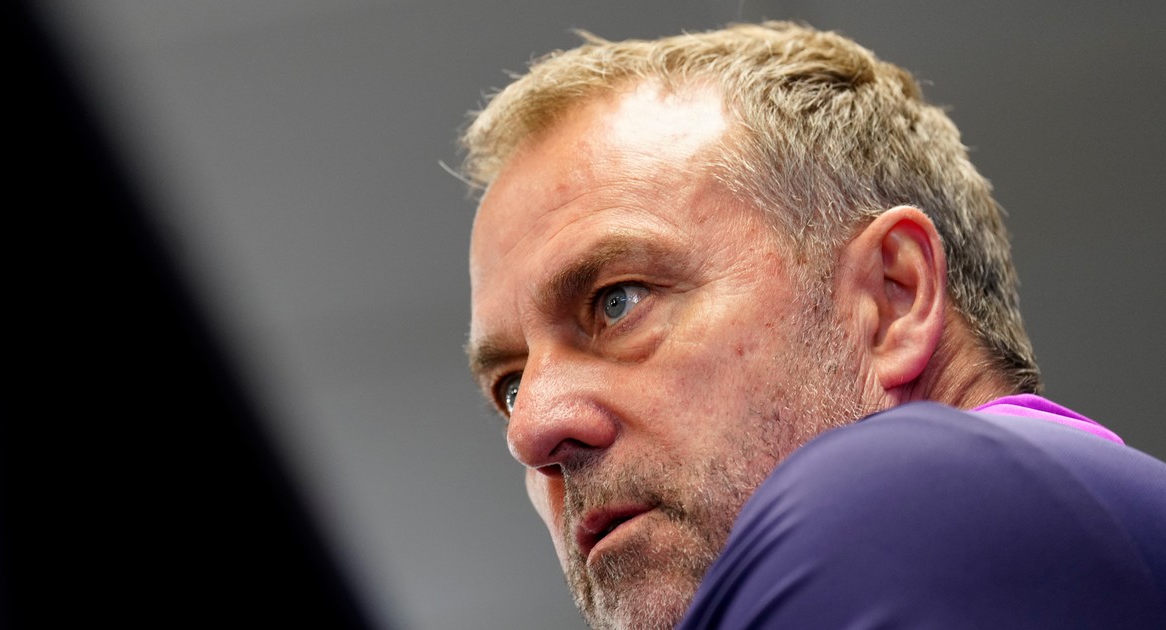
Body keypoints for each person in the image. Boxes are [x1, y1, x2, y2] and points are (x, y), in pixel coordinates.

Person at [462, 22, 1166, 629]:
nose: (532, 432)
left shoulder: (899, 501)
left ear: (891, 299)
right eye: (511, 387)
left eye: (618, 301)